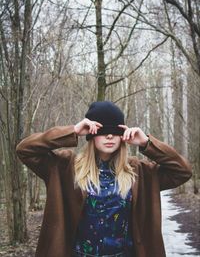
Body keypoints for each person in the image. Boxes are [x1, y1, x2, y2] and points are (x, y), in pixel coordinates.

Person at [16, 101, 192, 257]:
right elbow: (25, 150)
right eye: (103, 131)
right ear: (91, 135)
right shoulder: (66, 167)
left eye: (115, 131)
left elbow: (182, 171)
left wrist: (147, 143)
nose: (109, 136)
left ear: (123, 136)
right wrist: (73, 131)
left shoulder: (139, 172)